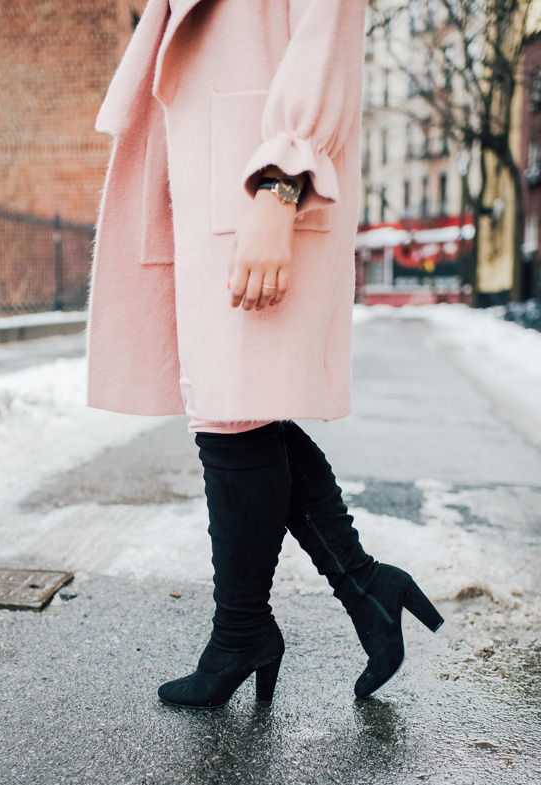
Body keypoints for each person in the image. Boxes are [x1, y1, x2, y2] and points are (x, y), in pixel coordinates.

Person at [87, 0, 444, 709]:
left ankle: (246, 632)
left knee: (232, 410)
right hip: (193, 157)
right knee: (235, 406)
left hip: (262, 173)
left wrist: (283, 188)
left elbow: (326, 30)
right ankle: (362, 589)